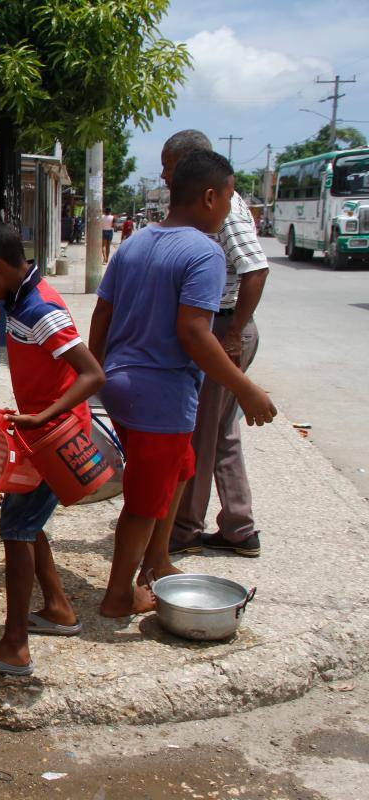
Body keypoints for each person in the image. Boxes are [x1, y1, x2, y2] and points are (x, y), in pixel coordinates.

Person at [88, 150, 276, 618]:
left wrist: (96, 372)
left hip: (121, 385)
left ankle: (156, 562)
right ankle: (118, 595)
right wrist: (246, 388)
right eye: (229, 199)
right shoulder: (205, 253)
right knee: (144, 499)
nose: (230, 209)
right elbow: (194, 333)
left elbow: (103, 312)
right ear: (210, 197)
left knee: (181, 470)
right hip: (160, 395)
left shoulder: (134, 243)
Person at [0, 220, 101, 676]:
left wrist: (41, 416)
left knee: (16, 528)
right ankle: (57, 607)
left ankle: (15, 645)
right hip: (39, 429)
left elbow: (93, 374)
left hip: (56, 435)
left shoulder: (40, 309)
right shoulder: (18, 298)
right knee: (27, 523)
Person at [159, 131, 271, 560]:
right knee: (222, 432)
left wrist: (233, 333)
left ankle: (186, 527)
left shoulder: (226, 210)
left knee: (201, 434)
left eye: (170, 166)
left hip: (223, 328)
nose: (165, 175)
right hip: (220, 326)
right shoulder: (208, 209)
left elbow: (255, 270)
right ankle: (239, 528)